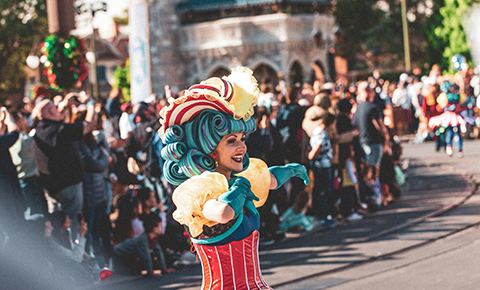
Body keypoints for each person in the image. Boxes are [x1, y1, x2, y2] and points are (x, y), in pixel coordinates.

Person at [159, 67, 309, 289]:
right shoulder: (199, 189)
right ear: (210, 149)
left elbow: (270, 179)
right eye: (231, 141)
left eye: (242, 138)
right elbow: (223, 212)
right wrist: (239, 188)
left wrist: (291, 169)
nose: (242, 147)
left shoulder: (239, 177)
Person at [32, 93, 98, 240]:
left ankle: (62, 250)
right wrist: (91, 103)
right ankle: (75, 251)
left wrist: (65, 104)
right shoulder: (59, 130)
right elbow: (90, 124)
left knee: (57, 222)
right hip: (69, 186)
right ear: (49, 113)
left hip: (51, 188)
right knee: (73, 221)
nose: (58, 110)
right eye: (55, 108)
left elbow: (58, 118)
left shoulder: (41, 130)